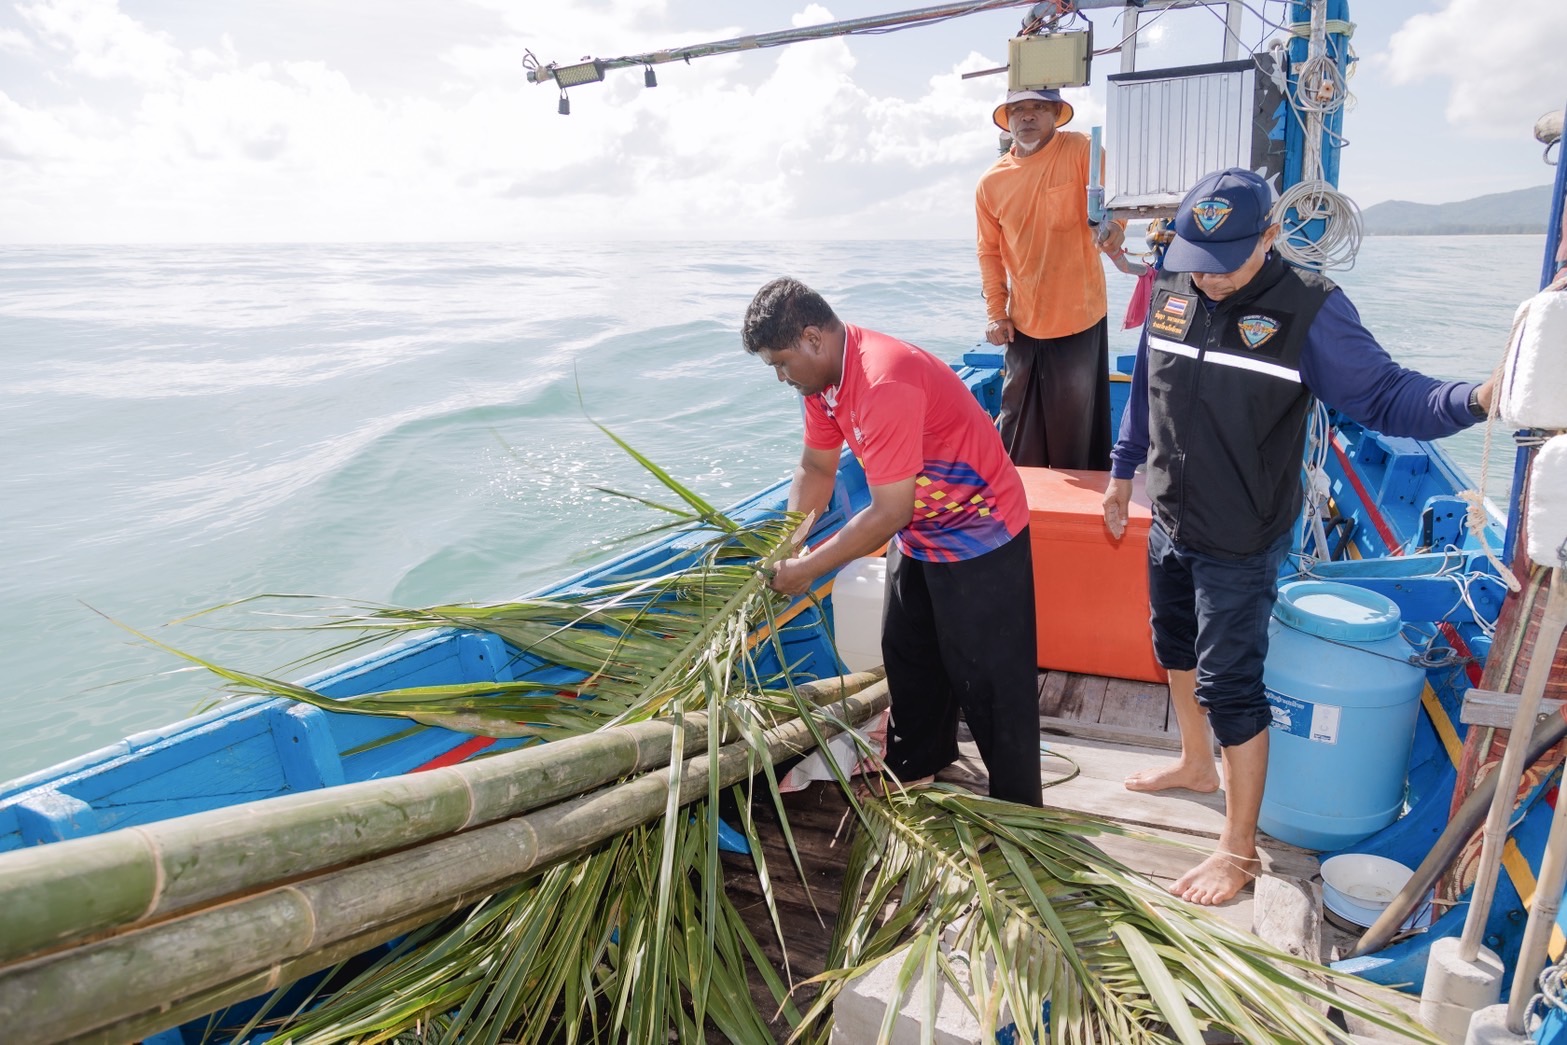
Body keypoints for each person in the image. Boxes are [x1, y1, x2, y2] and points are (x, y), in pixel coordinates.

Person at [1101, 168, 1498, 906]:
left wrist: (1473, 398)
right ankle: (1195, 763)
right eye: (1197, 261)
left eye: (1226, 263)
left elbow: (1386, 394)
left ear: (1271, 236)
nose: (1208, 279)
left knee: (1230, 685)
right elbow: (1148, 384)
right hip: (1170, 514)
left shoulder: (1311, 309)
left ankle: (1238, 850)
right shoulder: (1173, 282)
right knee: (1174, 644)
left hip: (1241, 532)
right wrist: (1123, 473)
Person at [742, 277, 1043, 807]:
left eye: (782, 363)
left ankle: (1019, 810)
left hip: (980, 531)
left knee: (993, 684)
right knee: (910, 657)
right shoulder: (822, 384)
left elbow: (888, 511)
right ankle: (919, 765)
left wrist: (808, 570)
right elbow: (816, 468)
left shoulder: (882, 379)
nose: (782, 377)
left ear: (813, 338)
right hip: (919, 531)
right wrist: (788, 544)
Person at [976, 88, 1127, 470]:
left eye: (1039, 107)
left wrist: (1115, 229)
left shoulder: (1082, 151)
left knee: (1075, 435)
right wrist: (997, 312)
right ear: (1007, 120)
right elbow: (989, 252)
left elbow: (1115, 208)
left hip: (1080, 318)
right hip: (1023, 323)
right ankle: (1022, 500)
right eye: (1018, 109)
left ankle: (1081, 501)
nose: (1027, 116)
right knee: (1015, 431)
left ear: (1056, 113)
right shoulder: (990, 183)